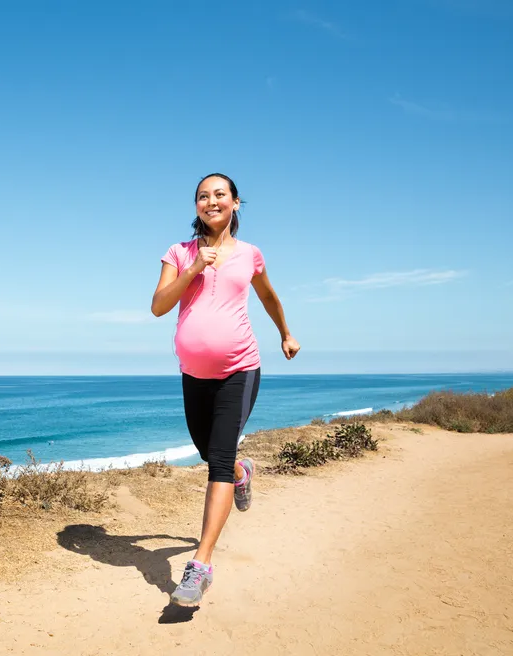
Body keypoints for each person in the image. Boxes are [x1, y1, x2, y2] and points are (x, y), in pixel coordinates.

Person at [151, 172, 300, 606]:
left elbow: (269, 297)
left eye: (220, 195)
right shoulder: (178, 252)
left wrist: (285, 334)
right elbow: (159, 306)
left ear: (235, 203)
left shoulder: (250, 254)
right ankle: (242, 472)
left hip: (240, 368)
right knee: (209, 454)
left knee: (216, 458)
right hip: (193, 374)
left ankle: (201, 566)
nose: (211, 201)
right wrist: (195, 268)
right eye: (203, 196)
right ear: (196, 205)